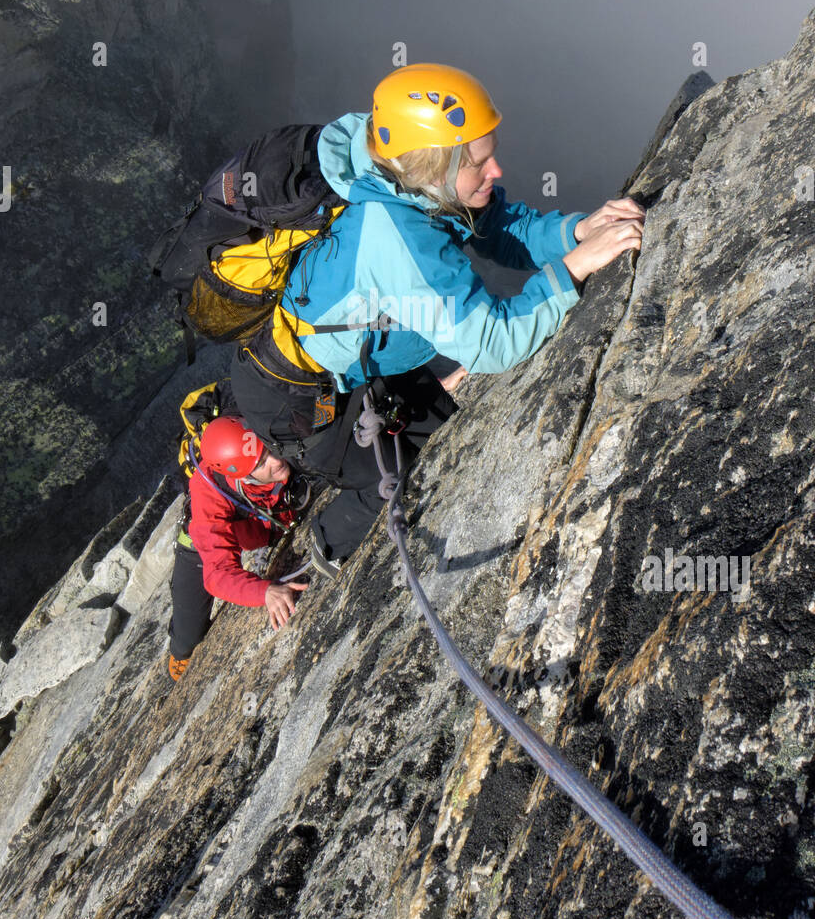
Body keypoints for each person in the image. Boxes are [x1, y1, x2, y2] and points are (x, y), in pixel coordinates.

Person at [230, 62, 644, 576]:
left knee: (437, 426)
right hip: (292, 397)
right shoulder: (396, 237)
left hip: (360, 354)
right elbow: (493, 342)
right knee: (398, 471)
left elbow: (496, 226)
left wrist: (577, 231)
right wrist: (574, 268)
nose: (496, 172)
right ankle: (324, 546)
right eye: (480, 163)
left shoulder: (410, 179)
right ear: (434, 169)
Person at [167, 415, 310, 681]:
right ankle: (179, 650)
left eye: (269, 449)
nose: (276, 460)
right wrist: (264, 591)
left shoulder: (266, 425)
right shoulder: (210, 491)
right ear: (240, 475)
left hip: (266, 522)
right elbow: (218, 574)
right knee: (187, 638)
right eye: (262, 463)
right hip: (199, 545)